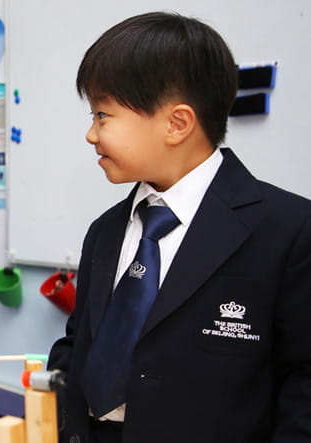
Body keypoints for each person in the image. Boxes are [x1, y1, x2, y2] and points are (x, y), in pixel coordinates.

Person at [47, 12, 311, 443]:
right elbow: (80, 342)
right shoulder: (106, 231)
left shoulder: (289, 230)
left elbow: (303, 382)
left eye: (102, 116)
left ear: (176, 123)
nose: (91, 135)